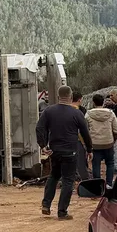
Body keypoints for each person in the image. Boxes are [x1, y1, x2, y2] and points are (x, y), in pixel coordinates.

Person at [36, 86, 92, 220]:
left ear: (58, 96)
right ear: (71, 96)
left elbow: (39, 128)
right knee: (68, 180)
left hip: (54, 151)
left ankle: (46, 204)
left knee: (54, 176)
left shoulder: (49, 111)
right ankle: (62, 211)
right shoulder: (77, 113)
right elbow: (85, 133)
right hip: (70, 151)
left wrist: (43, 145)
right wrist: (89, 149)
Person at [85, 94, 117, 186]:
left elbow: (85, 130)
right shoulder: (111, 113)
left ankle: (97, 185)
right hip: (108, 143)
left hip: (95, 144)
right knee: (110, 163)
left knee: (96, 164)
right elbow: (116, 129)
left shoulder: (88, 114)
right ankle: (108, 184)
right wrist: (113, 140)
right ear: (103, 102)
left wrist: (87, 144)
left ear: (93, 102)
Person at [70, 91, 90, 182]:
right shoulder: (79, 112)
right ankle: (84, 180)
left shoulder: (64, 110)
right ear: (79, 99)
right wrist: (85, 144)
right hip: (77, 140)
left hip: (65, 141)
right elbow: (82, 130)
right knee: (81, 161)